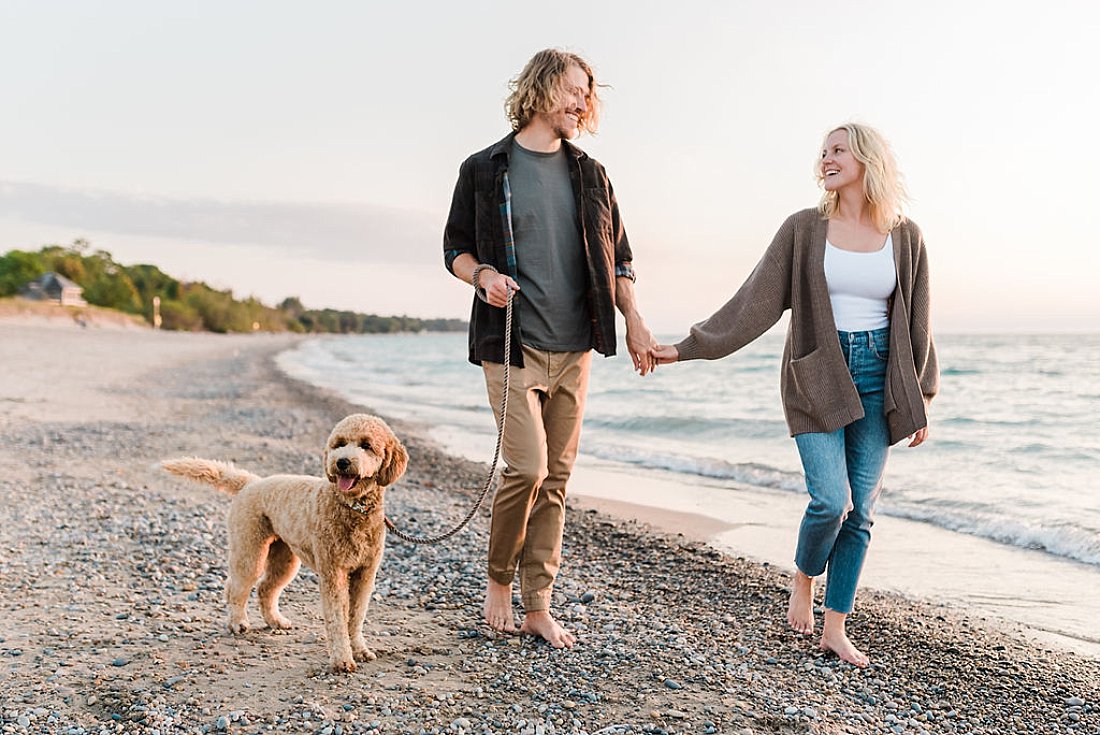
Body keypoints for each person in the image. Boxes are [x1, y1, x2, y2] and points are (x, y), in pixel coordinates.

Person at [651, 123, 938, 666]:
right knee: (832, 500)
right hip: (816, 374)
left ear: (866, 159)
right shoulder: (804, 229)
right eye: (823, 152)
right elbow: (754, 303)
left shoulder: (906, 235)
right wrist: (687, 348)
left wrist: (922, 393)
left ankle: (836, 627)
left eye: (837, 150)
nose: (825, 159)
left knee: (861, 513)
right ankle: (805, 577)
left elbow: (919, 320)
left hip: (881, 378)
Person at [443, 49, 656, 649]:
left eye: (588, 93)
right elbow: (454, 249)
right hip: (511, 345)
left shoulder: (592, 175)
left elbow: (621, 258)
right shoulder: (485, 168)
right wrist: (482, 276)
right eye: (572, 90)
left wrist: (633, 318)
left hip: (576, 348)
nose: (582, 103)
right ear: (539, 89)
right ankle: (498, 582)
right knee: (528, 468)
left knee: (556, 479)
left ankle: (539, 603)